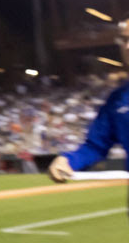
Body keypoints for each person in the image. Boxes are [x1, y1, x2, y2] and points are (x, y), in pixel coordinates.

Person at [48, 21, 129, 183]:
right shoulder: (117, 100)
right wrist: (68, 160)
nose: (127, 47)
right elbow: (95, 146)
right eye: (125, 40)